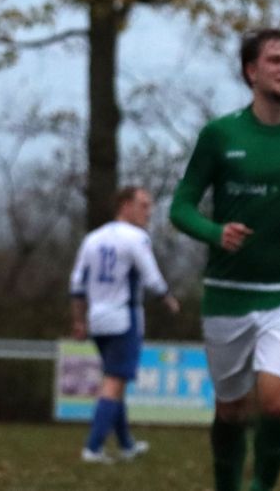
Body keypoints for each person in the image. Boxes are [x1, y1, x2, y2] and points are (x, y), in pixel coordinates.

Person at [170, 28, 280, 491]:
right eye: (276, 60)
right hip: (228, 292)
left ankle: (262, 486)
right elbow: (181, 207)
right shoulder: (220, 134)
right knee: (231, 409)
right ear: (251, 71)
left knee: (276, 403)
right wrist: (215, 233)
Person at [68, 186, 180, 464]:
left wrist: (79, 320)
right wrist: (167, 297)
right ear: (125, 206)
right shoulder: (136, 238)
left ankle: (126, 444)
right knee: (114, 383)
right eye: (143, 205)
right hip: (124, 318)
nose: (148, 212)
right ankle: (93, 448)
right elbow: (150, 276)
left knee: (114, 380)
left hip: (97, 318)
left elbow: (77, 283)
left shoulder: (93, 238)